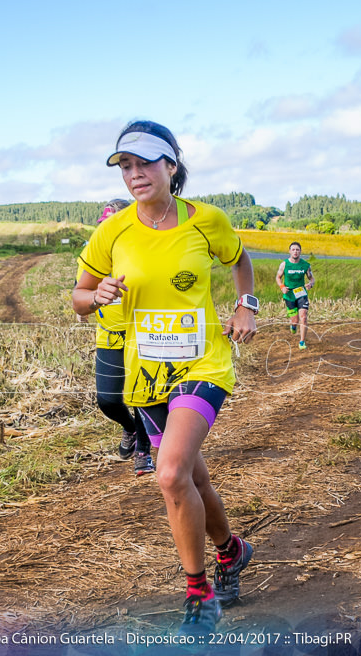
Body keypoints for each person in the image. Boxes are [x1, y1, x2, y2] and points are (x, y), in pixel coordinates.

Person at [72, 120, 257, 635]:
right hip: (147, 374)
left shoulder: (207, 221)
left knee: (171, 474)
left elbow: (240, 261)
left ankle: (199, 597)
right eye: (125, 166)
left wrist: (247, 307)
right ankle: (231, 551)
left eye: (145, 162)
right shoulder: (113, 230)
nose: (135, 175)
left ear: (171, 166)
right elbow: (79, 299)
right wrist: (99, 295)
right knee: (192, 477)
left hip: (204, 365)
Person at [76, 199, 154, 476]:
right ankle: (130, 428)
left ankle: (144, 450)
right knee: (107, 400)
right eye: (104, 225)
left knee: (143, 396)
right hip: (108, 335)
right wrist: (88, 303)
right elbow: (81, 291)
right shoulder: (94, 253)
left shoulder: (145, 251)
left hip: (142, 333)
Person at [275, 241, 315, 350]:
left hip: (301, 293)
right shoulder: (284, 264)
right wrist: (282, 287)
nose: (295, 252)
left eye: (297, 250)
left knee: (304, 317)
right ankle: (293, 325)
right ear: (290, 251)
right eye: (293, 249)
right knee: (295, 320)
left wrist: (311, 284)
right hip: (289, 295)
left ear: (300, 251)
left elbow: (311, 278)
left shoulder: (305, 265)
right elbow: (278, 277)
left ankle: (302, 342)